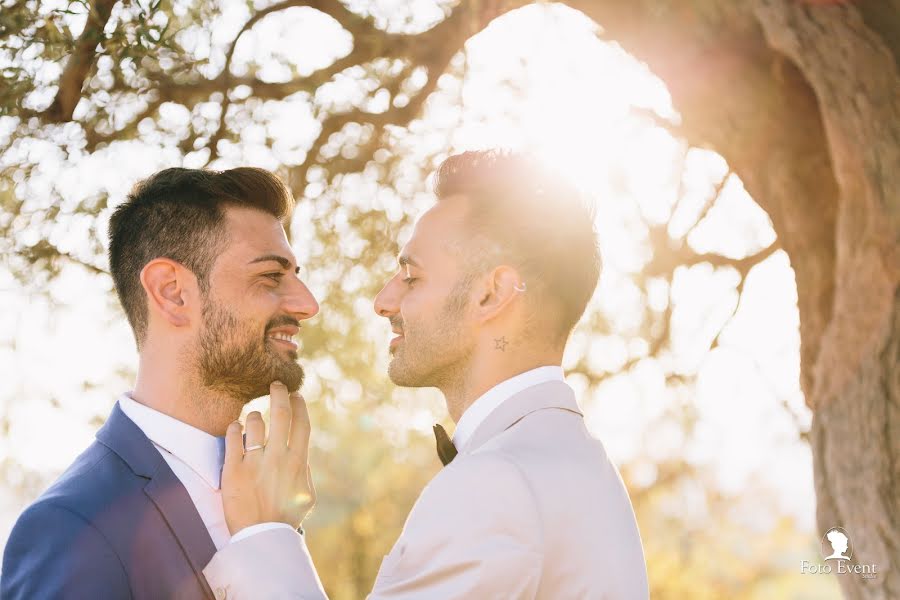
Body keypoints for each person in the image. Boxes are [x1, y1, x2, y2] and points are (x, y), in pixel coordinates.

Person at [203, 150, 650, 599]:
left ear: (491, 295)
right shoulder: (586, 469)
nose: (384, 301)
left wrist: (265, 537)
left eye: (411, 277)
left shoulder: (496, 483)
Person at [1, 167, 319, 598]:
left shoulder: (273, 488)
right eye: (270, 276)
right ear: (172, 292)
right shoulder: (72, 526)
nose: (308, 304)